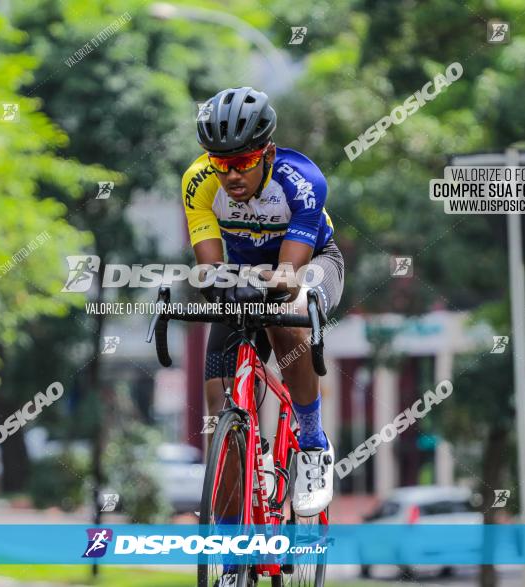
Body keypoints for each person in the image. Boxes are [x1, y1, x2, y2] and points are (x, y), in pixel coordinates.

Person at [182, 87, 344, 580]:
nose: (231, 175)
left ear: (268, 153)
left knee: (283, 309)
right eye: (221, 163)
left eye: (244, 162)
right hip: (245, 273)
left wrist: (274, 284)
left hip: (312, 264)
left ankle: (312, 445)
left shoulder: (303, 181)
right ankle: (234, 559)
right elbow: (212, 274)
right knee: (218, 407)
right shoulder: (198, 182)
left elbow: (288, 275)